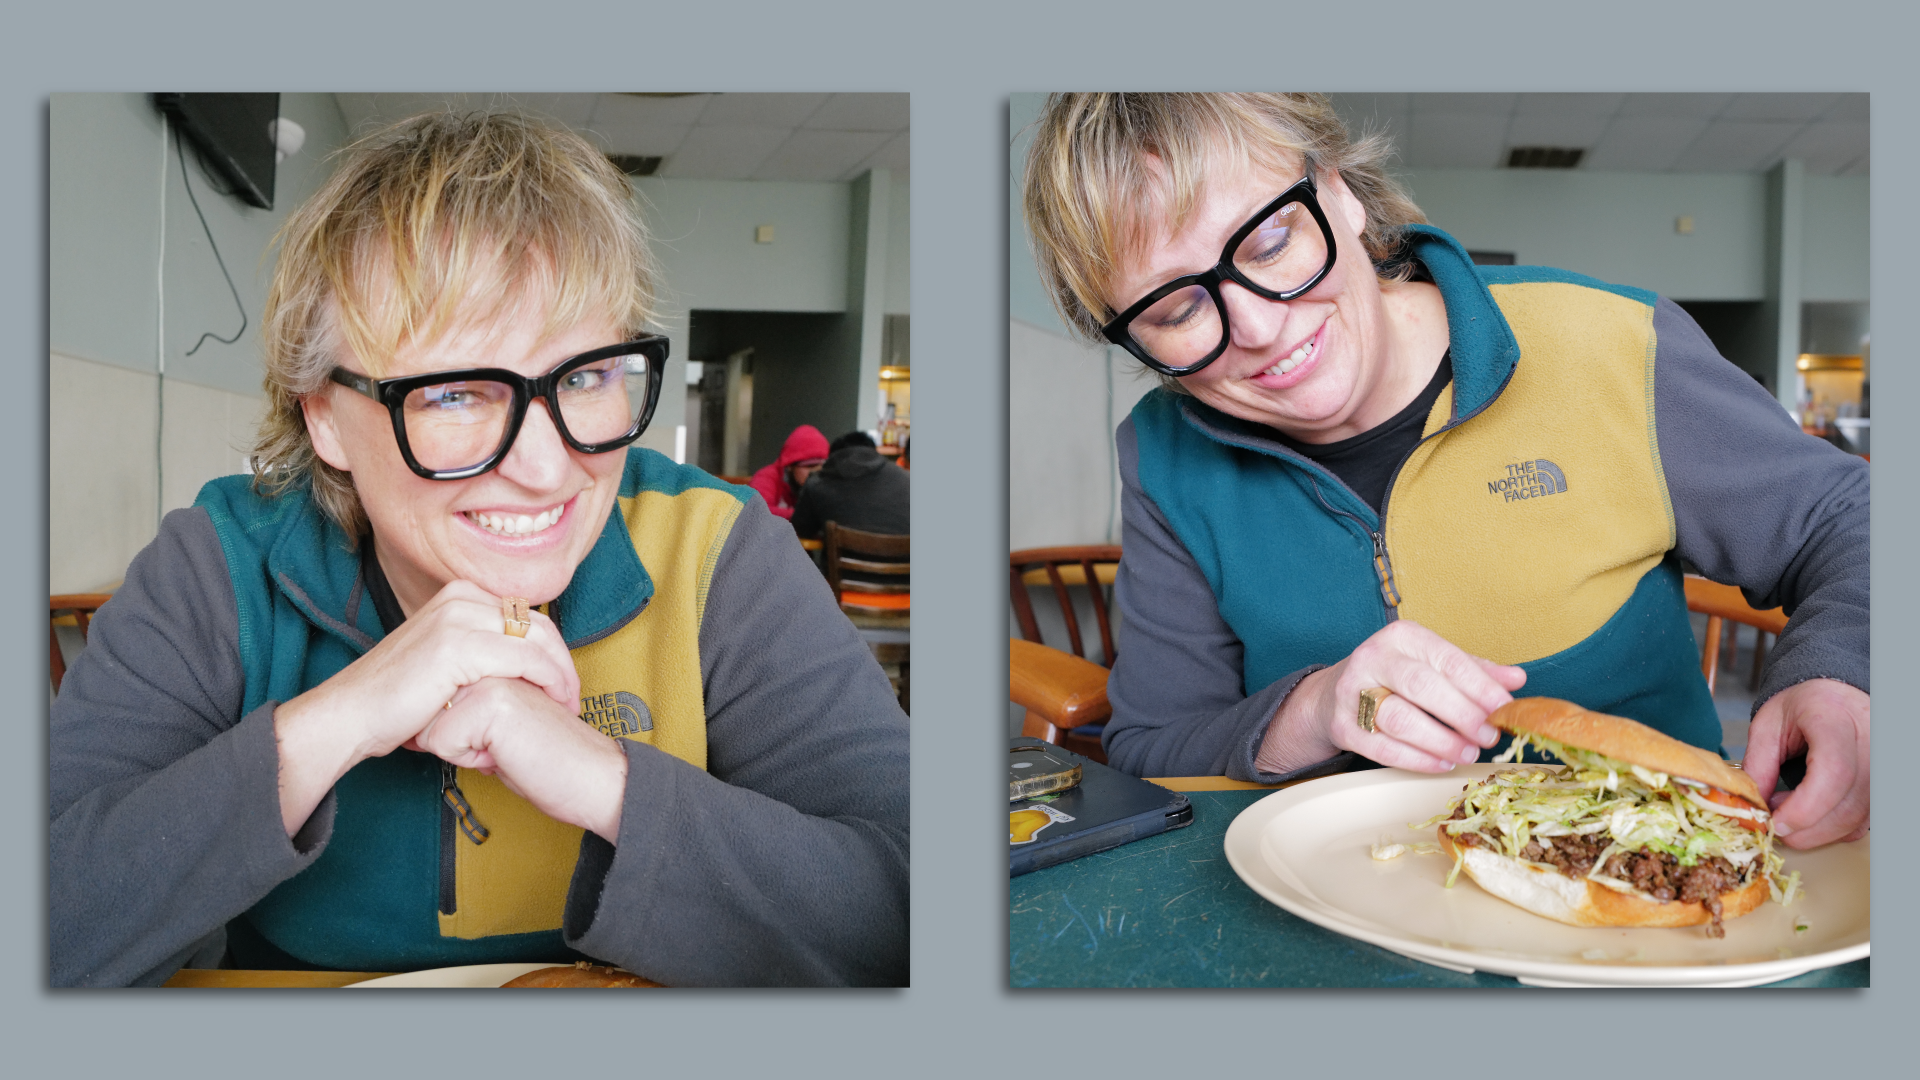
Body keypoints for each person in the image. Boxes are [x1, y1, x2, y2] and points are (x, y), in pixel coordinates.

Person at [50, 112, 909, 986]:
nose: (545, 468)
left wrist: (608, 783)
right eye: (455, 393)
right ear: (323, 417)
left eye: (584, 377)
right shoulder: (217, 567)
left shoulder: (719, 554)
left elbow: (914, 910)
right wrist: (336, 722)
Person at [1020, 93, 1868, 849]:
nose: (1256, 327)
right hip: (1333, 916)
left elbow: (1851, 520)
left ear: (1342, 191)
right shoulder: (1162, 455)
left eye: (1271, 240)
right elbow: (1156, 743)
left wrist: (1840, 672)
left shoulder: (1611, 344)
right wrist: (1316, 710)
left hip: (1657, 880)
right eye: (1175, 308)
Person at [791, 431, 912, 540]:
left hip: (842, 564)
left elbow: (801, 531)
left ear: (832, 458)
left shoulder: (816, 485)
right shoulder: (908, 481)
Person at [748, 424, 829, 519]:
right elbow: (755, 511)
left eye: (821, 467)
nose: (815, 472)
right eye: (809, 466)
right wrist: (802, 517)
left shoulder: (827, 481)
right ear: (790, 466)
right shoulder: (767, 477)